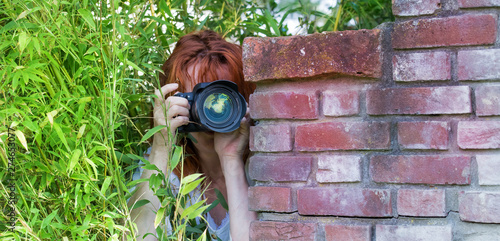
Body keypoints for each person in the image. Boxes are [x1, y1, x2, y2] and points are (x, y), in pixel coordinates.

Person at [127, 29, 257, 241]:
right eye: (200, 98)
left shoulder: (265, 170)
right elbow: (137, 238)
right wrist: (162, 146)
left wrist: (231, 159)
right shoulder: (161, 170)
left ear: (243, 100)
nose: (212, 112)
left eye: (221, 99)